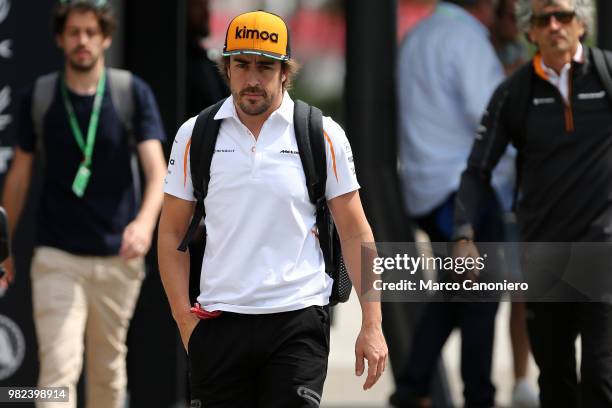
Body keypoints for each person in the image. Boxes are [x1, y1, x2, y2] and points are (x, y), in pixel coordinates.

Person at [158, 10, 388, 408]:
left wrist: (372, 324)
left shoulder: (322, 134)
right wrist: (184, 319)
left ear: (285, 72)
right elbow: (170, 233)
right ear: (226, 68)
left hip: (297, 321)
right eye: (241, 64)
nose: (251, 79)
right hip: (217, 322)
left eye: (265, 66)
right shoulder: (196, 133)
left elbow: (356, 233)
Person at [0, 1, 167, 407]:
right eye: (73, 32)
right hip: (58, 256)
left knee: (108, 374)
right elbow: (19, 177)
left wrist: (144, 225)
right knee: (58, 368)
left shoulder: (130, 92)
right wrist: (3, 249)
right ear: (59, 39)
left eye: (91, 32)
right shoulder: (39, 96)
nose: (82, 41)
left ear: (105, 38)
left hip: (118, 258)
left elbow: (158, 171)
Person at [454, 0, 612, 407]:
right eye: (544, 19)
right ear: (531, 31)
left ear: (582, 25)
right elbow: (477, 170)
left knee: (601, 375)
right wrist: (464, 233)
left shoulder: (607, 74)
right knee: (555, 381)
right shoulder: (514, 92)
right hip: (544, 256)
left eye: (563, 16)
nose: (555, 25)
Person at [394, 1, 513, 407]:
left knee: (452, 296)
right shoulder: (467, 40)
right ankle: (477, 397)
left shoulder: (417, 36)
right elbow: (495, 118)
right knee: (479, 299)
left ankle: (411, 389)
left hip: (425, 189)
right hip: (464, 193)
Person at [185, 0, 229, 118]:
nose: (206, 12)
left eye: (206, 5)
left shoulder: (204, 59)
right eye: (199, 5)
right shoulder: (183, 61)